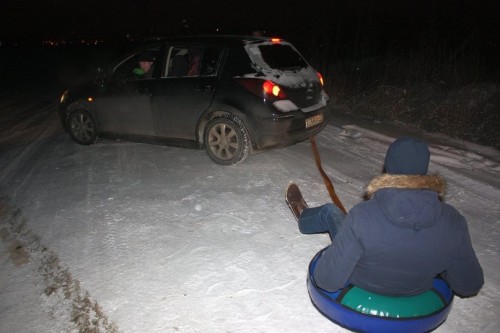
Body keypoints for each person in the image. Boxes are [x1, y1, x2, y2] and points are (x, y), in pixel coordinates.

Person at [286, 136, 484, 297]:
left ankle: (304, 216)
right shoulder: (453, 222)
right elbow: (469, 285)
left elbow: (326, 280)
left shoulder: (362, 216)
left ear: (388, 167)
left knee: (331, 211)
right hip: (416, 291)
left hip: (363, 288)